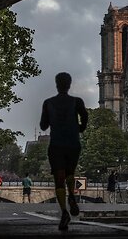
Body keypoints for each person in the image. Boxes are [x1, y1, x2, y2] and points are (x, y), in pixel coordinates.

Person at [40, 72, 88, 231]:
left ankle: (64, 212)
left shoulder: (48, 103)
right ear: (69, 84)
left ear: (56, 84)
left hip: (57, 144)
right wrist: (80, 128)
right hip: (73, 143)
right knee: (70, 173)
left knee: (58, 179)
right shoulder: (77, 101)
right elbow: (85, 116)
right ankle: (72, 196)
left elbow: (43, 126)